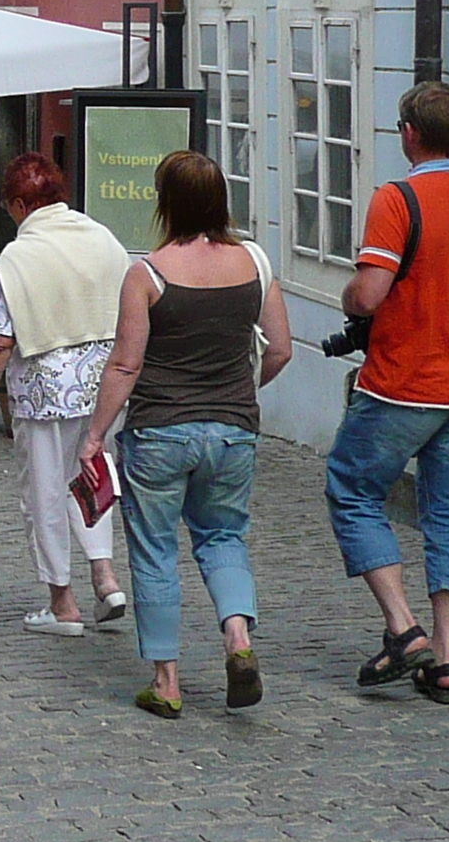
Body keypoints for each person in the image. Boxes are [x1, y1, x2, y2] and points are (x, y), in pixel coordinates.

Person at [81, 150, 293, 718]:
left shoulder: (147, 274)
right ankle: (238, 639)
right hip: (232, 431)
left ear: (165, 203)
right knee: (223, 538)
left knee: (154, 551)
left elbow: (125, 366)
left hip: (159, 433)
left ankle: (167, 681)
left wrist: (95, 434)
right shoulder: (254, 262)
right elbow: (281, 349)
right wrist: (244, 390)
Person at [326, 81, 449, 706]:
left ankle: (404, 629)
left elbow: (370, 293)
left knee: (353, 489)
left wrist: (352, 298)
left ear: (410, 133)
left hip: (403, 386)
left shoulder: (398, 199)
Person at [0, 154, 132, 636]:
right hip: (103, 386)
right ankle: (105, 576)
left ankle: (63, 601)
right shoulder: (103, 238)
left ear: (21, 204)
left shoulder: (19, 255)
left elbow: (0, 340)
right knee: (92, 476)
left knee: (44, 491)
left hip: (44, 390)